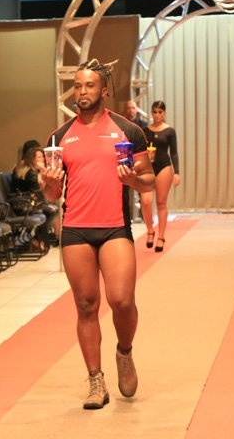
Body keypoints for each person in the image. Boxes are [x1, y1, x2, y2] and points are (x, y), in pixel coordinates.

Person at [42, 58, 155, 410]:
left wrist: (133, 181)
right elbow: (51, 195)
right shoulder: (59, 137)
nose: (82, 91)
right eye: (77, 86)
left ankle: (125, 352)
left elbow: (148, 181)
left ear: (104, 90)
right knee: (85, 305)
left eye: (89, 85)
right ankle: (95, 381)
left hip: (114, 228)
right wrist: (49, 183)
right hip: (76, 229)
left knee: (121, 300)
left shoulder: (128, 131)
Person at [141, 100, 180, 252]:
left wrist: (177, 172)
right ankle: (150, 230)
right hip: (148, 167)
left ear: (164, 113)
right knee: (146, 201)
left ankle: (161, 236)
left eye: (160, 112)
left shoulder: (169, 131)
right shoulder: (145, 130)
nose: (157, 115)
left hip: (164, 166)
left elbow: (174, 153)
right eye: (155, 112)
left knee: (161, 202)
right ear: (151, 113)